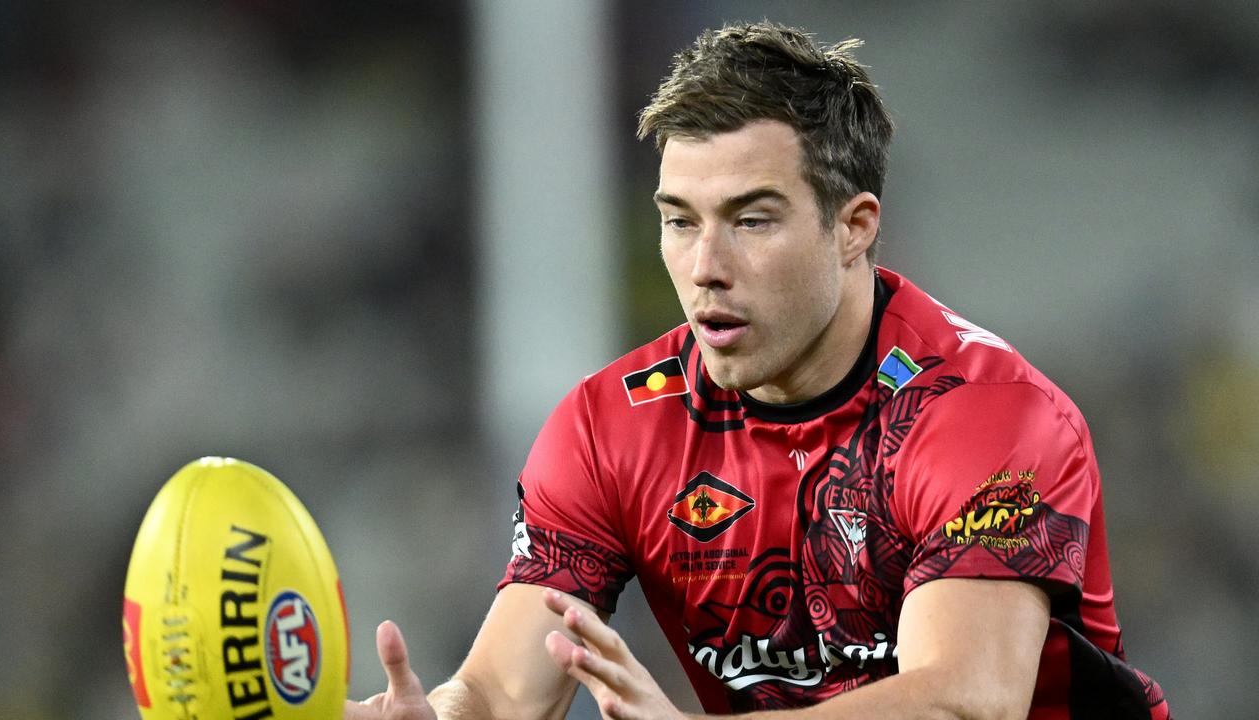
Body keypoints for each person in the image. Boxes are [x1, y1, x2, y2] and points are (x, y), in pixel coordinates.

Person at [347, 20, 1170, 720]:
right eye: (679, 220)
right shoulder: (613, 429)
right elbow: (501, 689)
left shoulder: (984, 412)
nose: (705, 265)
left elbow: (963, 696)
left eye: (752, 218)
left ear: (853, 227)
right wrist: (444, 713)